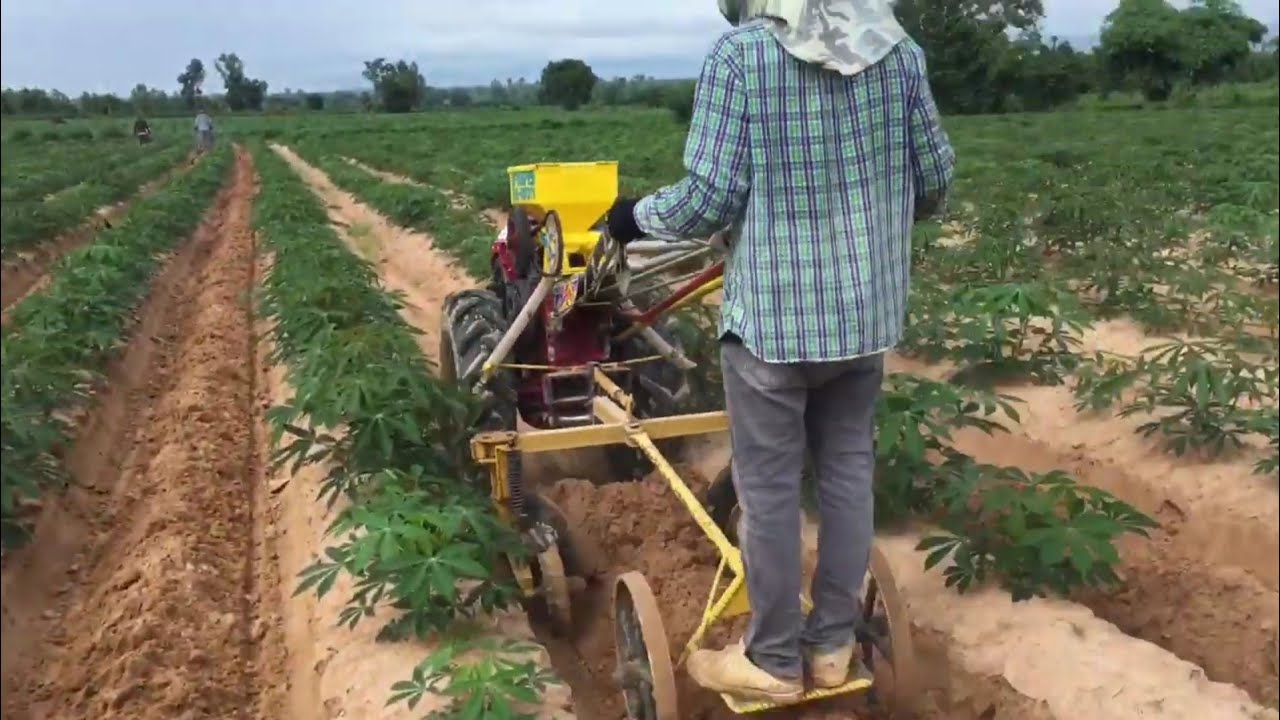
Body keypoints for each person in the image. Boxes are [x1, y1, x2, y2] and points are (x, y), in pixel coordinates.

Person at [604, 0, 954, 705]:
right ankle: (830, 647)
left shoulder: (741, 59)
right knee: (847, 475)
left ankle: (771, 659)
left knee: (768, 493)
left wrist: (631, 215)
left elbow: (707, 202)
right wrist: (871, 211)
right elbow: (935, 182)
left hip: (774, 323)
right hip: (863, 319)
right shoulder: (898, 51)